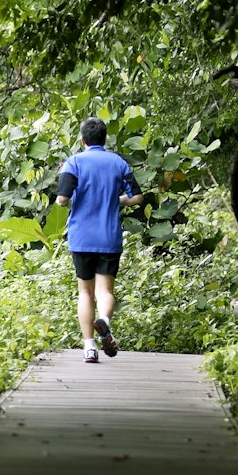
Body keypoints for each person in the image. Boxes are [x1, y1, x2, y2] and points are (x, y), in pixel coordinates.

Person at [55, 115, 146, 364]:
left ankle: (89, 348)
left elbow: (63, 199)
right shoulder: (118, 163)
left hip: (82, 237)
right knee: (105, 290)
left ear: (82, 139)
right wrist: (119, 201)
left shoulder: (73, 163)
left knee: (85, 292)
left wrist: (63, 200)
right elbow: (137, 196)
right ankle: (104, 321)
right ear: (104, 139)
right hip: (109, 236)